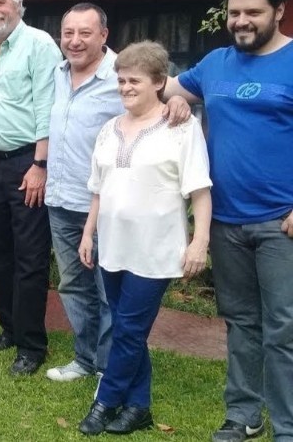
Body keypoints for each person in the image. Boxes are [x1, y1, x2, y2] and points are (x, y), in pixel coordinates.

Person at [165, 0, 293, 442]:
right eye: (235, 12)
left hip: (281, 222)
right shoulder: (216, 63)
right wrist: (179, 103)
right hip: (225, 220)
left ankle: (287, 425)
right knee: (241, 323)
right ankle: (244, 415)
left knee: (283, 329)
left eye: (253, 12)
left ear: (278, 11)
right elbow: (168, 89)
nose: (242, 21)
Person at [77, 41, 212, 436]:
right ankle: (140, 407)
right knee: (125, 327)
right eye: (120, 80)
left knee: (129, 329)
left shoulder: (180, 127)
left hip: (155, 250)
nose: (125, 87)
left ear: (158, 83)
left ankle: (106, 401)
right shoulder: (108, 129)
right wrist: (88, 234)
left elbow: (200, 190)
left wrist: (199, 241)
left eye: (134, 80)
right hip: (113, 246)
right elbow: (99, 189)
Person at [0, 0, 61, 375]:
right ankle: (9, 329)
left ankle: (31, 345)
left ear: (17, 5)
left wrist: (40, 164)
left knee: (29, 257)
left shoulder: (38, 44)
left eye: (0, 3)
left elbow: (47, 105)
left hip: (28, 162)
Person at [44, 3, 119, 383]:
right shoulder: (57, 73)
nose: (74, 41)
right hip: (60, 200)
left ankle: (108, 366)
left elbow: (162, 99)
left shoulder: (121, 76)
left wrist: (173, 100)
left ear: (103, 36)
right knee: (73, 283)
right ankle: (85, 359)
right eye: (68, 33)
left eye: (84, 33)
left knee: (108, 290)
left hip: (106, 204)